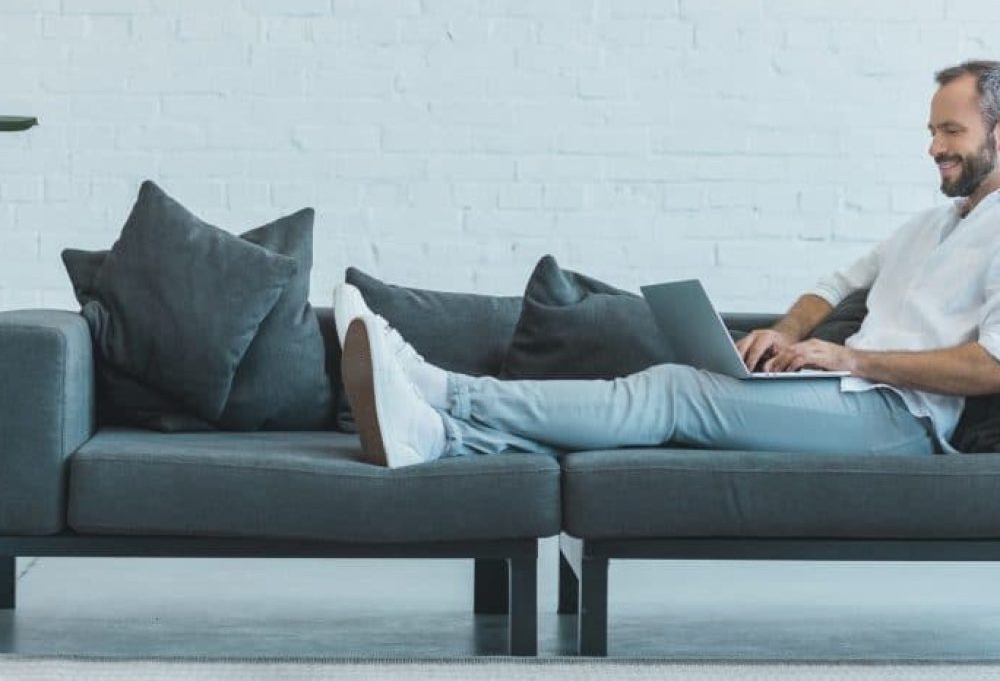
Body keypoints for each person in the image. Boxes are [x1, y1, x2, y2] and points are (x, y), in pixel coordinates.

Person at [335, 60, 1000, 468]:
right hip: (847, 396)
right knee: (658, 412)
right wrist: (789, 332)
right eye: (931, 131)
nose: (934, 148)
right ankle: (438, 438)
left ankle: (447, 390)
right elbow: (833, 287)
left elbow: (990, 368)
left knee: (676, 392)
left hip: (899, 420)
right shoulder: (928, 224)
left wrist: (852, 359)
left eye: (951, 132)